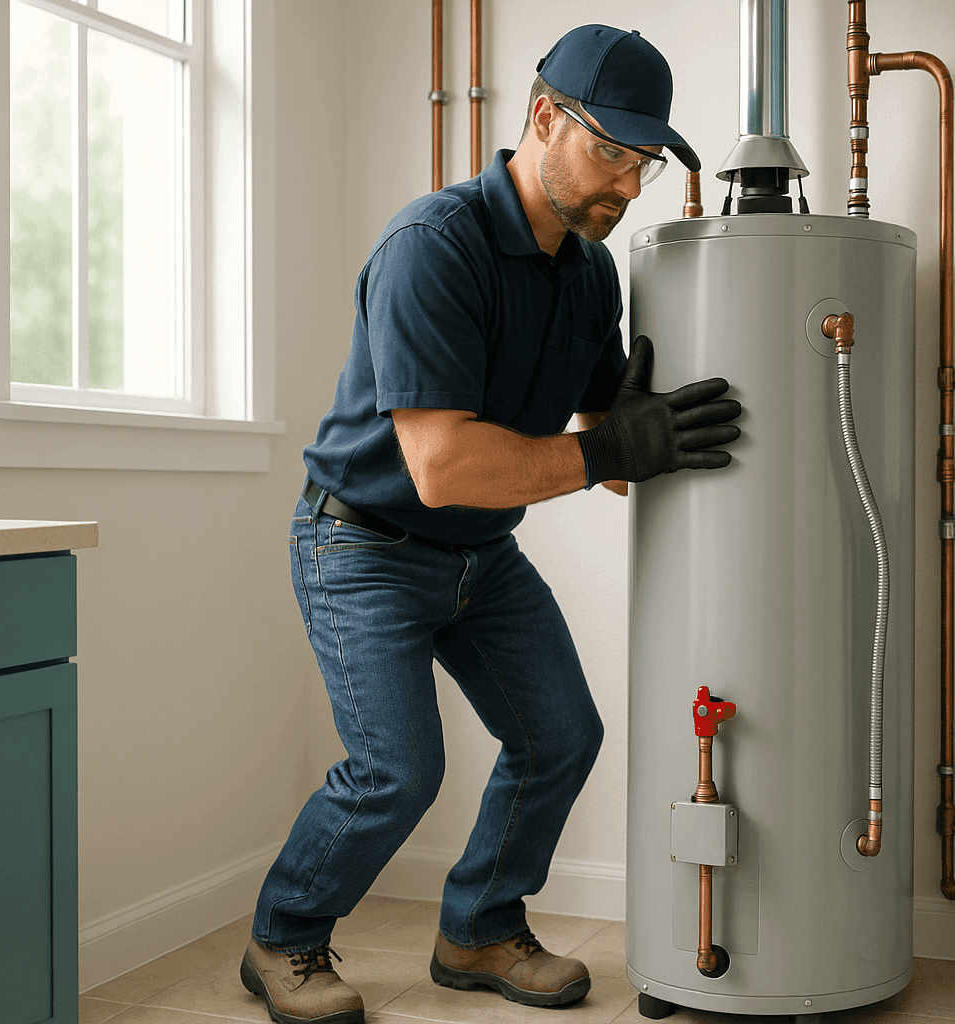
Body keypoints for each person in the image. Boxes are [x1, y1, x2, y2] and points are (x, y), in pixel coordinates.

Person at [238, 24, 743, 1024]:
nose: (628, 188)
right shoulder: (434, 247)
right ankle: (283, 937)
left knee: (562, 734)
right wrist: (608, 451)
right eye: (612, 153)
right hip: (362, 545)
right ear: (545, 120)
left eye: (644, 164)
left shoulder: (589, 272)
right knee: (397, 769)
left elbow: (605, 453)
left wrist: (643, 431)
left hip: (477, 552)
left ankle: (477, 927)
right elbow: (442, 466)